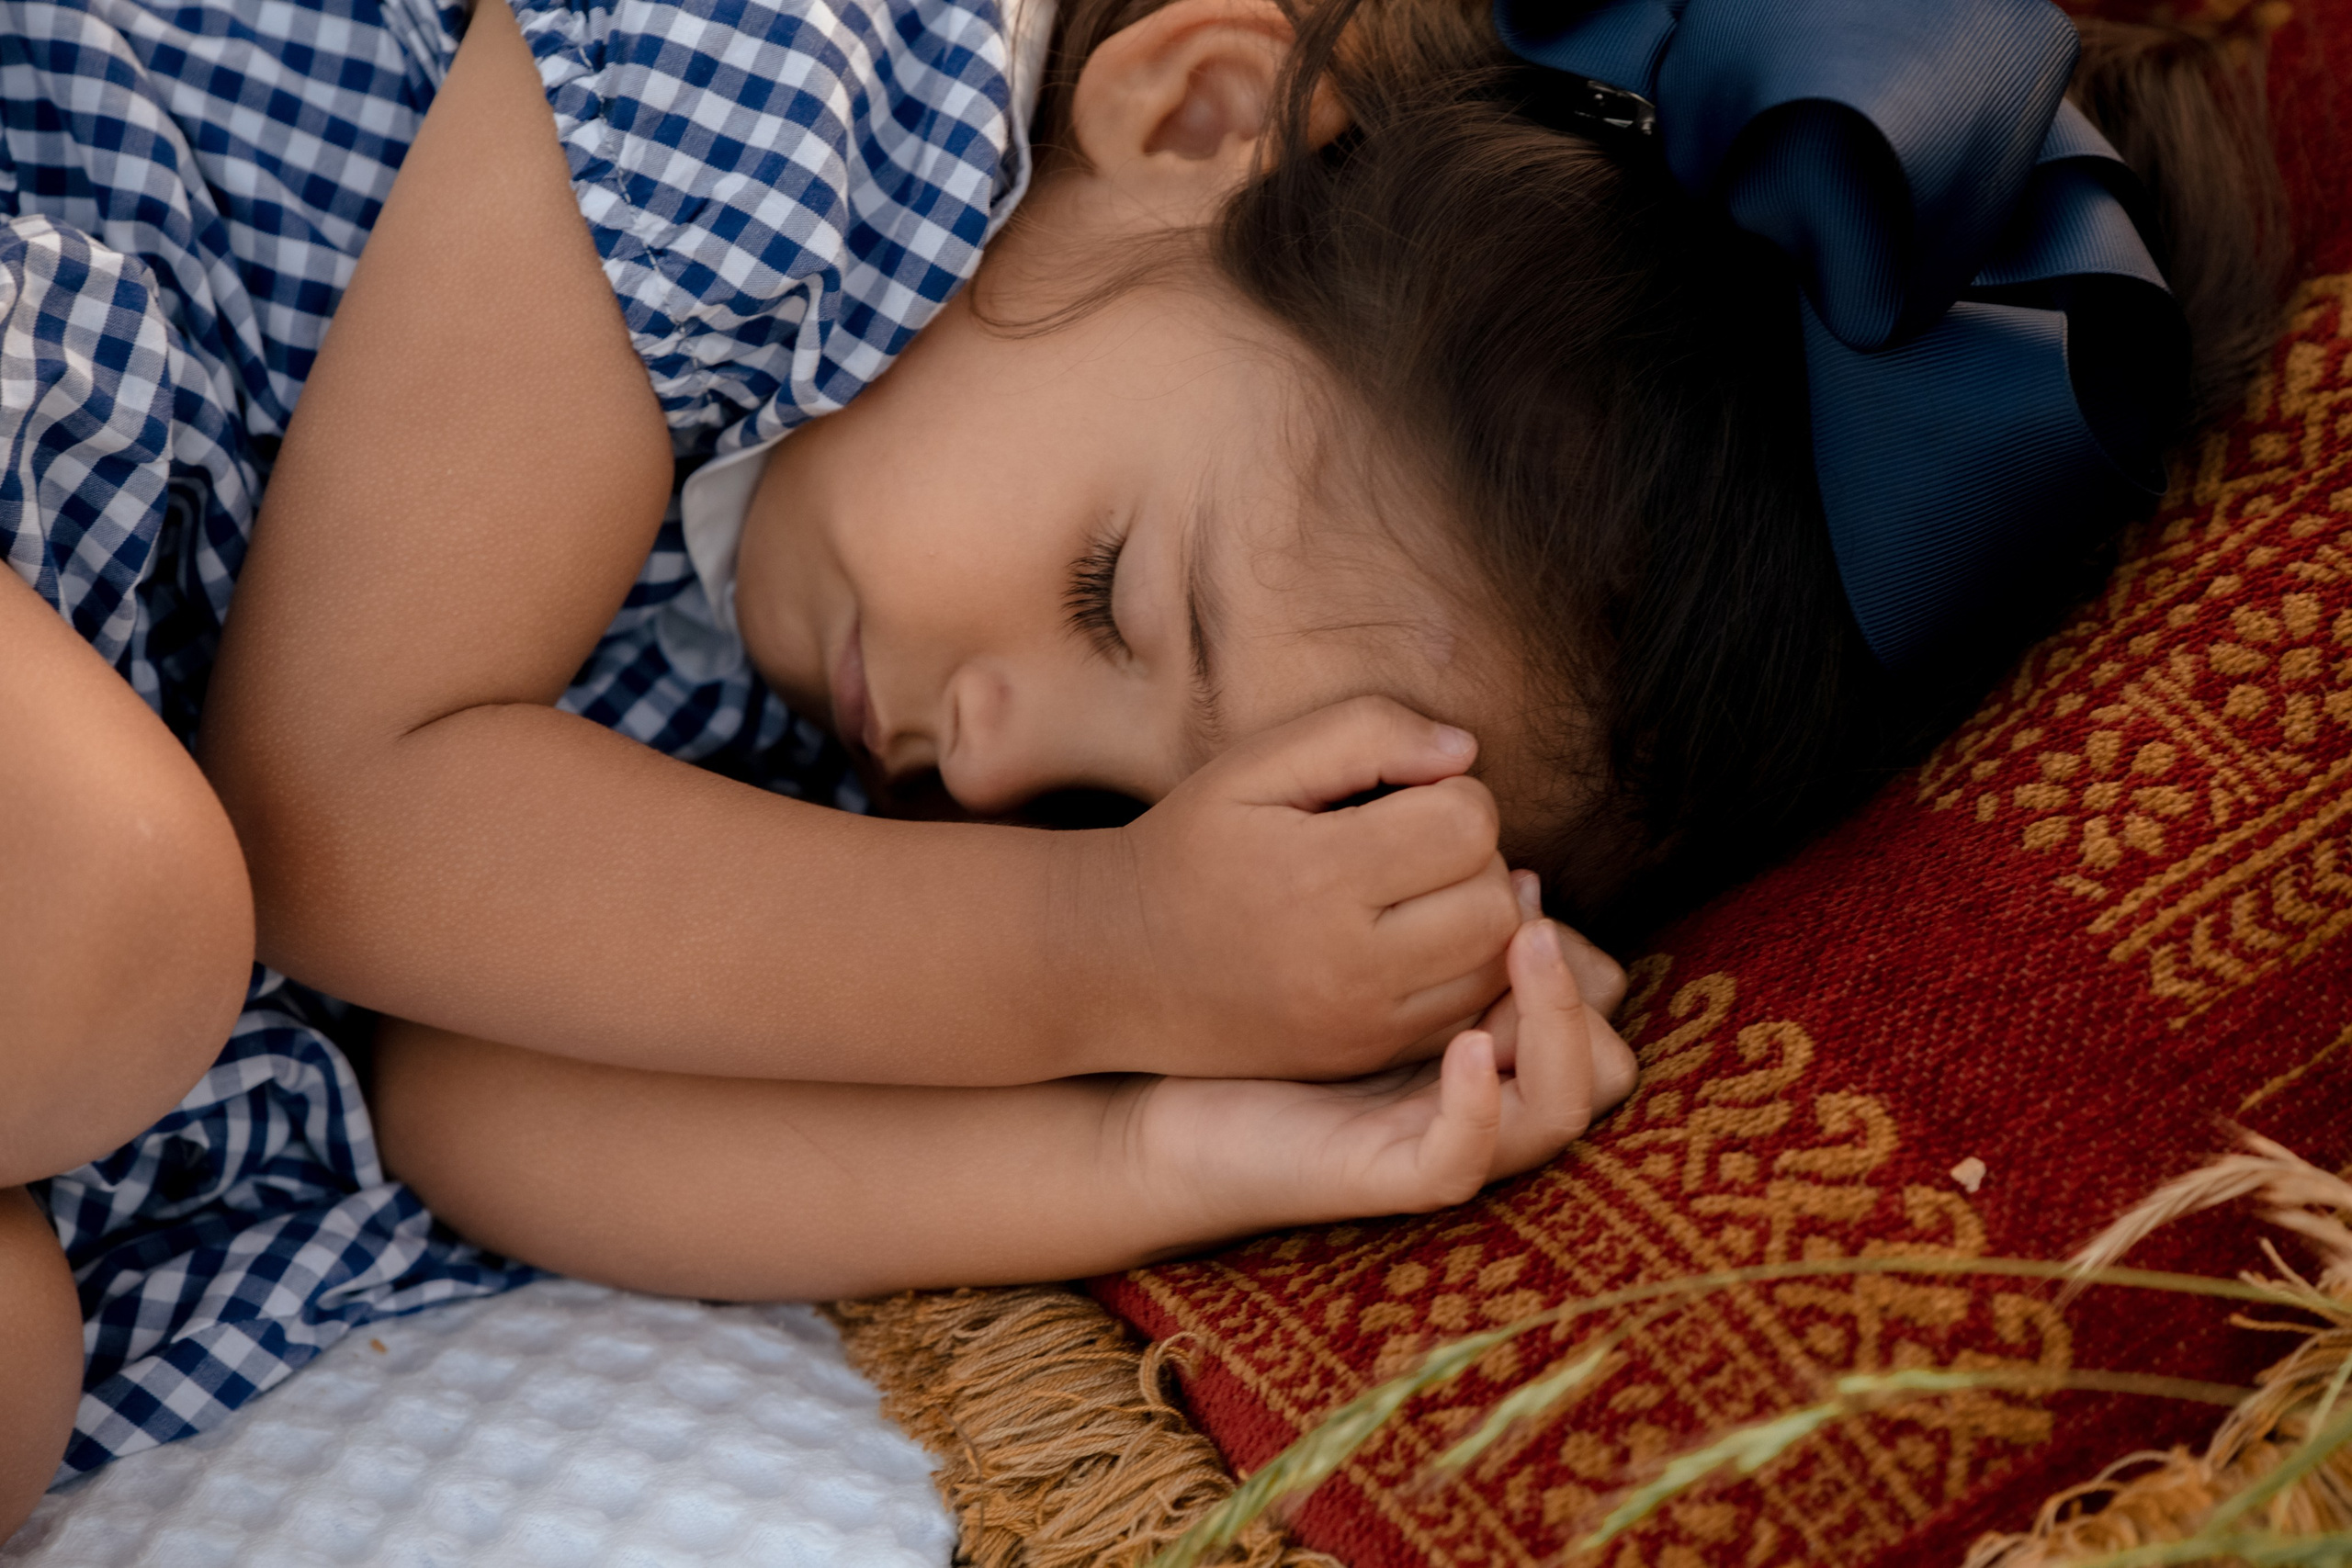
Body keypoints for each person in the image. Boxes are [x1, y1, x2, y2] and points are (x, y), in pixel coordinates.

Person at [0, 0, 2283, 1527]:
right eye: (1119, 595)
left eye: (1127, 804)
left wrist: (1195, 1134)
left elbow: (466, 1107)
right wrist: (1103, 947)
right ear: (1189, 112)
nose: (997, 765)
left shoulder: (885, 772)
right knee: (124, 916)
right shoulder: (807, 91)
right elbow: (339, 825)